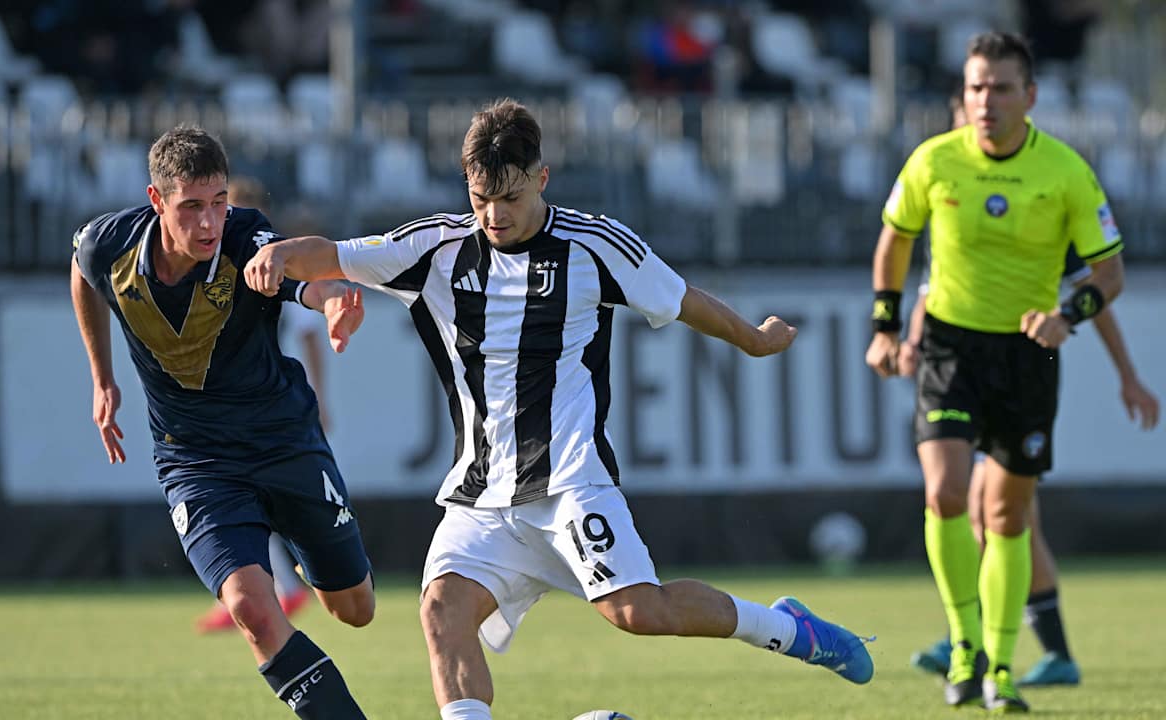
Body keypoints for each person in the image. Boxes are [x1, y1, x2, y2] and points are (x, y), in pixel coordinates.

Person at [243, 98, 875, 720]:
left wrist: (754, 339)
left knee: (639, 612)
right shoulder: (434, 249)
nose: (493, 214)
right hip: (481, 494)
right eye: (480, 197)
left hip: (570, 482)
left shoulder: (595, 245)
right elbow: (335, 254)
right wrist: (276, 253)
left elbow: (683, 300)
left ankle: (787, 629)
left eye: (511, 198)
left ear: (542, 179)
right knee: (441, 610)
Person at [71, 125, 374, 719]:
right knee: (252, 609)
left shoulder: (244, 238)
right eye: (191, 207)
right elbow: (83, 272)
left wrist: (334, 297)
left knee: (353, 608)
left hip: (283, 441)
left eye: (217, 203)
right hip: (196, 459)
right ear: (156, 201)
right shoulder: (110, 244)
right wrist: (101, 377)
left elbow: (298, 278)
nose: (209, 223)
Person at [866, 32, 1126, 712]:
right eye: (977, 87)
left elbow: (1109, 271)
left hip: (1026, 357)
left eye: (1001, 88)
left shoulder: (1066, 170)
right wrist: (887, 326)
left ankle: (1003, 669)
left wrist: (1070, 315)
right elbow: (895, 239)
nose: (986, 101)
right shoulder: (933, 160)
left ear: (1030, 97)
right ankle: (963, 643)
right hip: (951, 350)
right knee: (947, 493)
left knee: (1008, 518)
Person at [903, 95, 1161, 688]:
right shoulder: (948, 198)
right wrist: (911, 340)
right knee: (984, 511)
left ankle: (1026, 646)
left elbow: (1095, 294)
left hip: (1020, 370)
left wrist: (1126, 374)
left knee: (1006, 516)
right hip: (963, 365)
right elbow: (927, 290)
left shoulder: (1042, 197)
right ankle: (981, 638)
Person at [191, 175, 313, 634]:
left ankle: (279, 583)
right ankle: (259, 585)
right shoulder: (208, 270)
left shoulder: (271, 265)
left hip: (271, 407)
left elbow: (307, 333)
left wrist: (318, 397)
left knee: (260, 497)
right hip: (235, 410)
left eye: (226, 208)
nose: (215, 222)